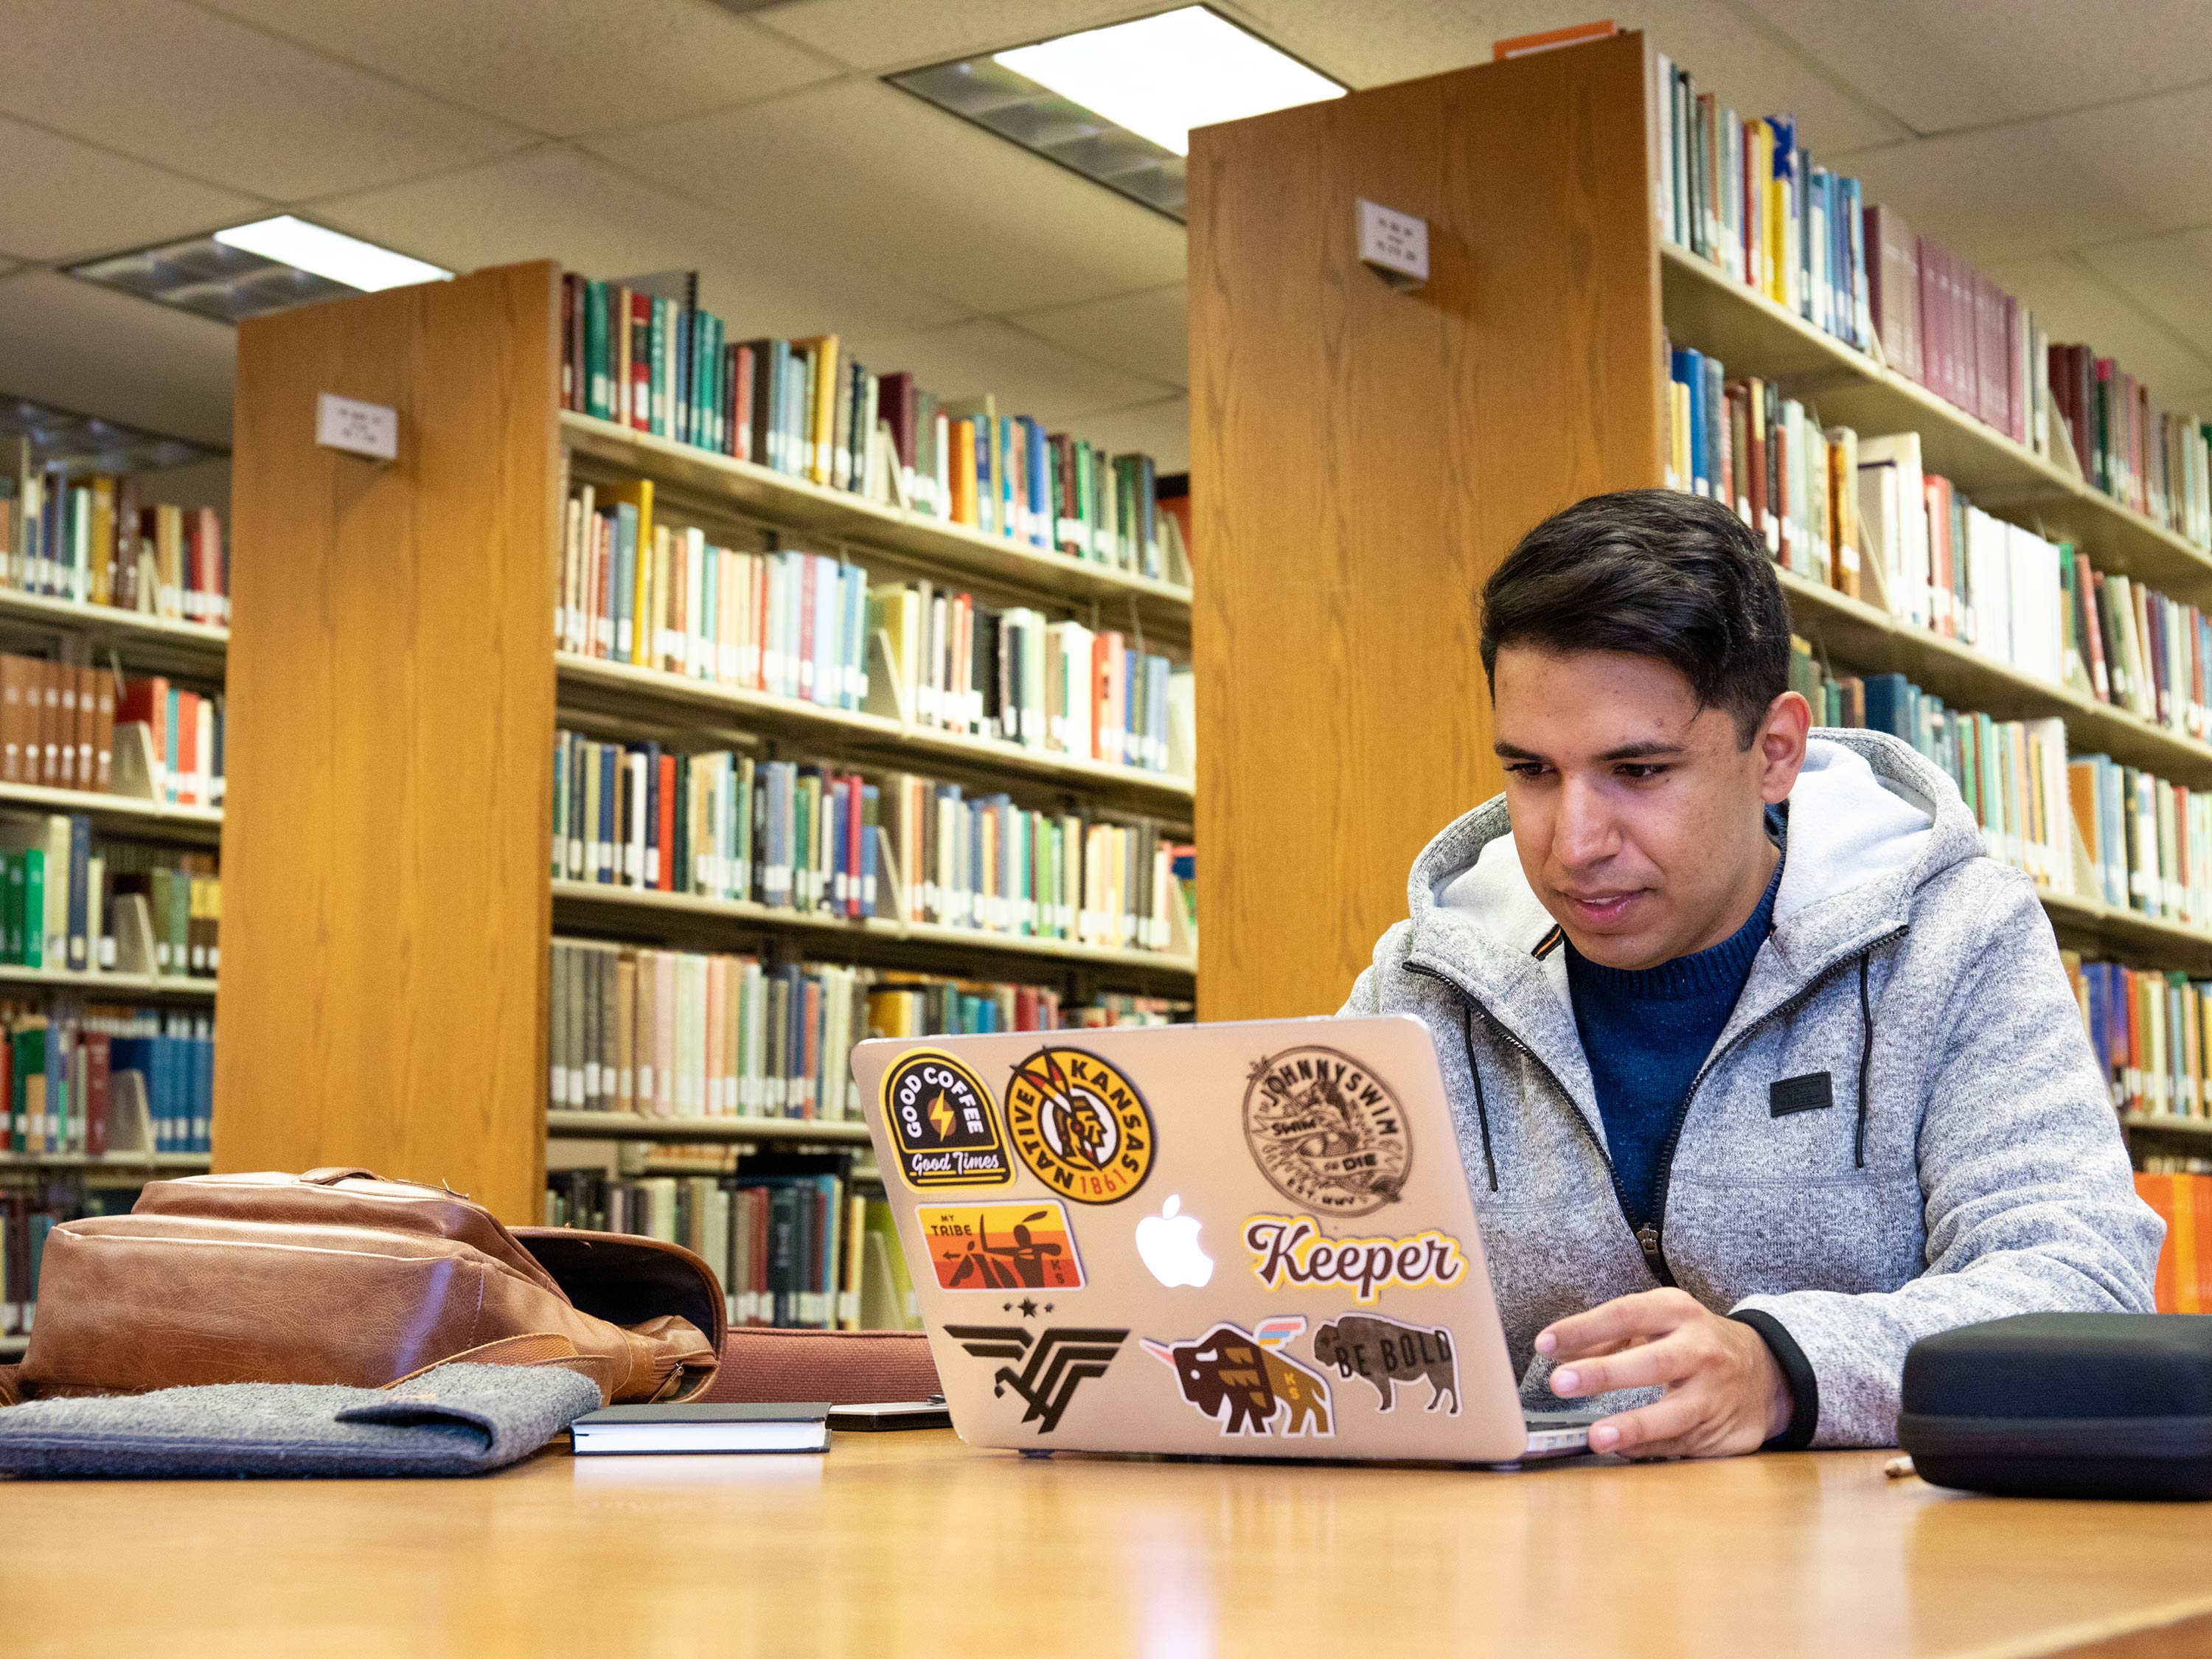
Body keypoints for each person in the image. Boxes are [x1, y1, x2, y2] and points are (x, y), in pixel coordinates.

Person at [1340, 489, 2161, 1458]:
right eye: (1531, 771)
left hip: (1883, 1587)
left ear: (1775, 750)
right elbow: (1300, 1298)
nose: (1573, 841)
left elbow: (2082, 1282)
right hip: (1521, 1583)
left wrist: (1788, 1368)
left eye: (1639, 772)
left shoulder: (1951, 937)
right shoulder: (1420, 989)